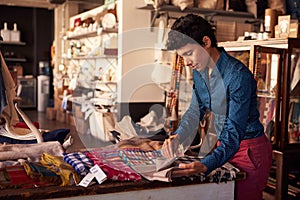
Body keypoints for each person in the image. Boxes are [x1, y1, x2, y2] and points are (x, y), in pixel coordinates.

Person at [162, 14, 272, 200]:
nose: (187, 63)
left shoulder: (237, 76)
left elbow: (234, 129)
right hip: (224, 146)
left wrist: (207, 163)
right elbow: (195, 111)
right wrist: (178, 136)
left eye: (189, 53)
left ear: (206, 42)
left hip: (248, 151)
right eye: (183, 57)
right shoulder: (200, 72)